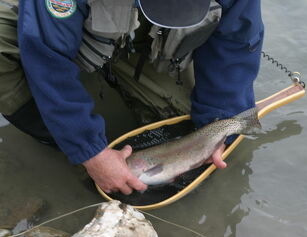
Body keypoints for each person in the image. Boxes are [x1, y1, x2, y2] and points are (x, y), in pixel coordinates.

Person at [0, 0, 264, 195]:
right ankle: (60, 139)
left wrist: (217, 127)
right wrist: (89, 151)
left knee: (185, 127)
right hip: (66, 27)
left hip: (148, 49)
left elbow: (235, 47)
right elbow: (47, 60)